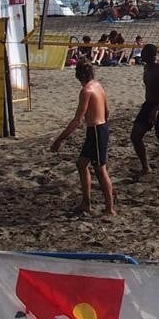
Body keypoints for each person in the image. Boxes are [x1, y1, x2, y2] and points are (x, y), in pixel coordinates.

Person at [49, 62, 115, 216]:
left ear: (79, 75)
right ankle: (86, 203)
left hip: (97, 131)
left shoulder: (86, 91)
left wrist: (59, 139)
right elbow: (107, 111)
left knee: (100, 169)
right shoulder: (98, 85)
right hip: (98, 129)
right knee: (81, 164)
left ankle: (110, 208)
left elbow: (77, 120)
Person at [130, 44, 159, 184]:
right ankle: (146, 168)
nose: (142, 56)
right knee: (135, 136)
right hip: (148, 104)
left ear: (150, 56)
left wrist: (157, 108)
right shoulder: (146, 68)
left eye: (144, 54)